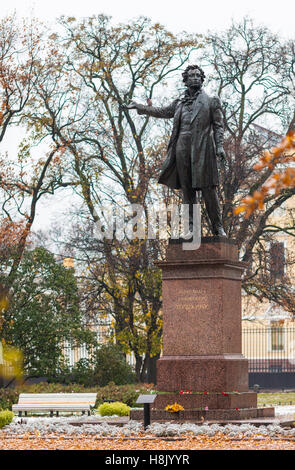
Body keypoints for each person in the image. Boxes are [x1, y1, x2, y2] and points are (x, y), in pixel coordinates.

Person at [127, 65, 227, 237]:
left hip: (203, 149)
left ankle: (217, 227)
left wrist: (219, 146)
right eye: (191, 75)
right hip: (181, 149)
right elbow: (162, 111)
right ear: (186, 80)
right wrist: (140, 107)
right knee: (187, 191)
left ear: (202, 79)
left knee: (208, 190)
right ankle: (190, 230)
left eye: (198, 75)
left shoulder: (211, 101)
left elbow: (219, 126)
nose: (195, 78)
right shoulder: (179, 103)